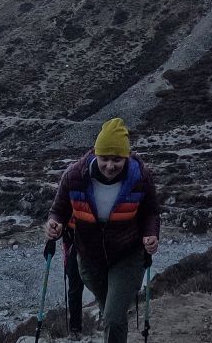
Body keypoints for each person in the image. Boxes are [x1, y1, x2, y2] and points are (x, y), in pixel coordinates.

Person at [45, 117, 161, 343]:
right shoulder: (74, 176)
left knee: (113, 317)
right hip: (89, 258)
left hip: (127, 255)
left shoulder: (141, 178)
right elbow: (58, 211)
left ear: (126, 157)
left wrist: (151, 234)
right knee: (110, 311)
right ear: (95, 154)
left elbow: (151, 213)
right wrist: (53, 225)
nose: (110, 165)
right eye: (105, 158)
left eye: (117, 159)